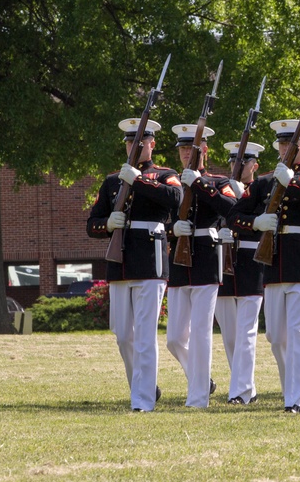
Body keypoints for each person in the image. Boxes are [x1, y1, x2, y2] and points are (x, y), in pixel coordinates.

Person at [228, 120, 300, 414]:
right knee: (276, 336)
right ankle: (290, 385)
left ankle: (295, 398)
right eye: (281, 143)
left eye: (291, 143)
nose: (285, 148)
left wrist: (292, 183)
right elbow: (234, 215)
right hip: (273, 262)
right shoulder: (264, 182)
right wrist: (255, 223)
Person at [87, 118, 181, 412]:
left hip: (149, 262)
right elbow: (92, 224)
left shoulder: (166, 175)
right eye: (130, 142)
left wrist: (138, 180)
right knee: (123, 335)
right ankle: (144, 387)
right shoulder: (112, 180)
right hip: (120, 262)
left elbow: (175, 199)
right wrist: (107, 224)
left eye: (140, 142)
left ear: (152, 144)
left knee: (144, 335)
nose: (134, 146)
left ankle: (141, 401)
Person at [165, 124, 238, 408]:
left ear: (204, 150)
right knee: (174, 338)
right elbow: (164, 218)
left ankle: (197, 397)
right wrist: (173, 228)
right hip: (179, 262)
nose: (185, 154)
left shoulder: (218, 182)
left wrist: (198, 183)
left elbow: (230, 209)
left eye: (190, 149)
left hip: (207, 258)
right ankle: (202, 380)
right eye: (182, 149)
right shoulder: (172, 182)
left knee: (201, 331)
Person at [215, 141, 264, 404]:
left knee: (246, 331)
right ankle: (246, 386)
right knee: (230, 335)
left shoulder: (262, 189)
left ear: (254, 165)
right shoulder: (221, 187)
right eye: (234, 160)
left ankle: (240, 391)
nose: (237, 165)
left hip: (249, 259)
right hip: (225, 260)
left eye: (243, 162)